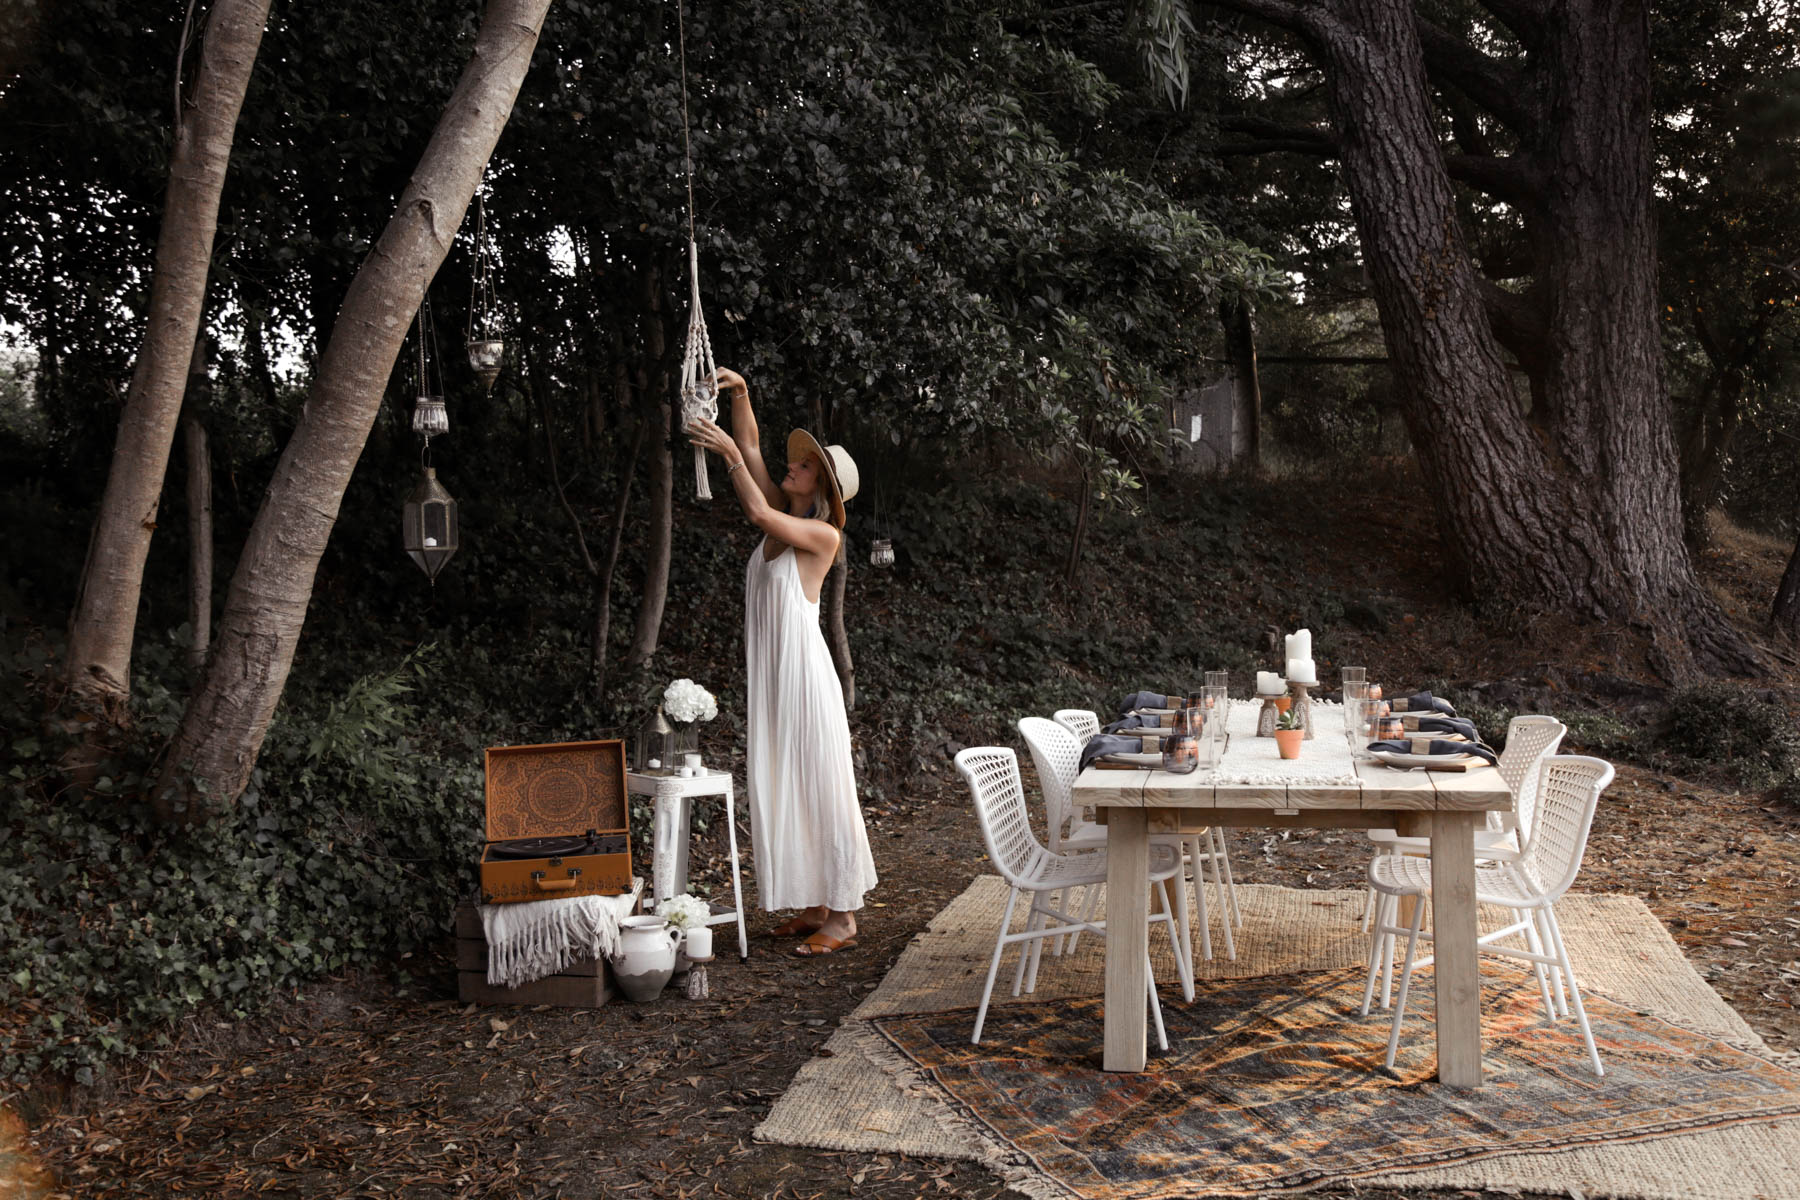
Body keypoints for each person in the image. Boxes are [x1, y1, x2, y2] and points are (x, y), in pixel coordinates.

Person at [685, 368, 878, 957]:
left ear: (820, 486)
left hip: (806, 677)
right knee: (787, 780)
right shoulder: (784, 510)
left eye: (805, 465)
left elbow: (759, 514)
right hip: (774, 675)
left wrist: (728, 460)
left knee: (821, 782)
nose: (791, 465)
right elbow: (748, 447)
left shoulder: (821, 536)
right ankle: (815, 905)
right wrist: (740, 396)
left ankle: (842, 917)